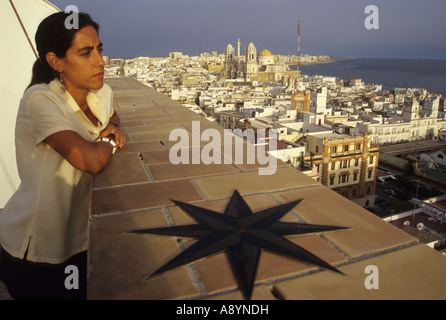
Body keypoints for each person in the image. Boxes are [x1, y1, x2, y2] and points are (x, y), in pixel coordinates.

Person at [0, 11, 125, 300]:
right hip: (37, 249)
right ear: (56, 61)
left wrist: (113, 125)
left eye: (99, 50)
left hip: (79, 242)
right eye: (85, 53)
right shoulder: (41, 99)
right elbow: (90, 161)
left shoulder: (100, 92)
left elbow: (112, 112)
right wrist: (111, 140)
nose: (100, 61)